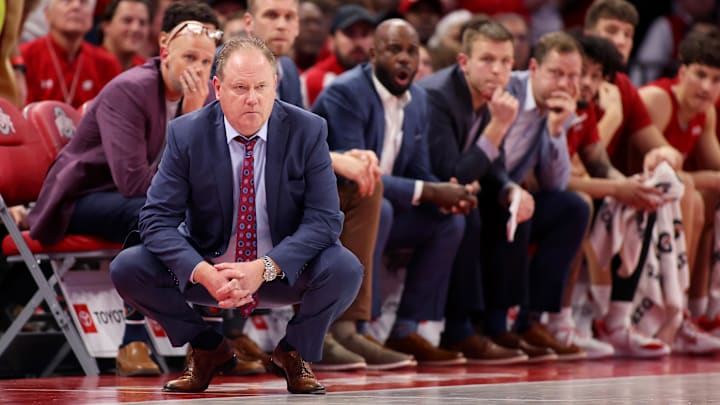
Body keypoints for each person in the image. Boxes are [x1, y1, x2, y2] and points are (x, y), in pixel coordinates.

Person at [110, 36, 363, 395]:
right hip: (210, 268)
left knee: (345, 268)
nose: (253, 99)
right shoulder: (186, 133)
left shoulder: (308, 130)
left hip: (278, 269)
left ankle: (293, 351)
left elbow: (324, 220)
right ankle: (207, 346)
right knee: (128, 267)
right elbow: (155, 219)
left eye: (262, 86)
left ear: (275, 84)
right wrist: (202, 272)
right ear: (217, 87)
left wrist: (264, 267)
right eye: (240, 87)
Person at [27, 7, 229, 376]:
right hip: (80, 199)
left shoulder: (206, 96)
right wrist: (189, 119)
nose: (197, 69)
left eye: (205, 60)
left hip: (138, 200)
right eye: (188, 57)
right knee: (151, 214)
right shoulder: (130, 90)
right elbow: (134, 184)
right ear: (165, 51)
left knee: (214, 211)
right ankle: (136, 340)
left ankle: (213, 333)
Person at [313, 19, 477, 365]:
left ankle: (406, 329)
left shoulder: (418, 99)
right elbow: (358, 178)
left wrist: (446, 192)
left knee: (448, 222)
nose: (405, 59)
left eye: (412, 51)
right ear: (373, 54)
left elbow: (418, 171)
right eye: (394, 50)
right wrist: (428, 190)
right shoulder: (346, 93)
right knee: (381, 206)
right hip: (334, 211)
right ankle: (357, 328)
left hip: (384, 203)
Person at [417, 18, 531, 364]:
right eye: (487, 60)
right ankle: (459, 329)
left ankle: (497, 323)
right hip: (422, 190)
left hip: (454, 188)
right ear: (464, 62)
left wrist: (512, 190)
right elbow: (451, 175)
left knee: (516, 210)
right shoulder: (438, 96)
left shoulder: (491, 96)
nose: (497, 70)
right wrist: (498, 126)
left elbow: (493, 166)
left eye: (506, 62)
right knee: (469, 210)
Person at [472, 31, 590, 361]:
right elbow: (480, 156)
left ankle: (531, 319)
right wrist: (511, 190)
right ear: (534, 68)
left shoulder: (557, 109)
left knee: (572, 208)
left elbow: (556, 182)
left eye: (572, 76)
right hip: (482, 189)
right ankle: (494, 324)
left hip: (509, 194)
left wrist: (555, 131)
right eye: (556, 73)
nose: (564, 84)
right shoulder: (506, 91)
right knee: (518, 204)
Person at [638, 27, 720, 355]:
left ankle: (702, 309)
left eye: (716, 80)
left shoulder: (705, 111)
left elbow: (715, 165)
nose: (706, 87)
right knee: (689, 194)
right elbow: (668, 174)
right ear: (682, 72)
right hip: (630, 194)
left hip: (664, 198)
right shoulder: (657, 100)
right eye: (700, 75)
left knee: (707, 198)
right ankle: (677, 309)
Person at [20, 0, 122, 108]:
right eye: (67, 1)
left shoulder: (107, 63)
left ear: (92, 16)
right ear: (47, 14)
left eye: (84, 2)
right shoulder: (25, 56)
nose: (76, 6)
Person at [301, 4, 375, 108]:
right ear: (331, 41)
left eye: (365, 34)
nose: (359, 42)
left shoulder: (383, 80)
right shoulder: (310, 82)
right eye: (350, 33)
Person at [242, 0, 303, 107]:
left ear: (297, 26)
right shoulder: (220, 64)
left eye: (289, 17)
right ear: (249, 23)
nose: (281, 25)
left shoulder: (289, 69)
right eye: (271, 15)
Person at [99, 0, 151, 71]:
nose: (135, 28)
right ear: (106, 26)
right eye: (127, 20)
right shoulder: (87, 62)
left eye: (142, 23)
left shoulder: (147, 69)